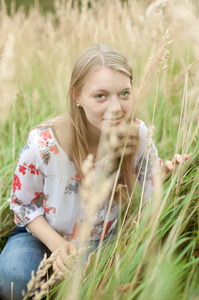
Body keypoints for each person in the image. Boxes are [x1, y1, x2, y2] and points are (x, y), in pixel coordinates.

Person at [0, 44, 192, 300]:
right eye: (101, 96)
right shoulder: (44, 144)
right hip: (41, 235)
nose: (116, 107)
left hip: (100, 241)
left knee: (116, 279)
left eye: (124, 93)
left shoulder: (137, 134)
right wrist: (57, 246)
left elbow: (150, 193)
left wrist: (170, 178)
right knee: (16, 274)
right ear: (77, 95)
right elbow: (23, 205)